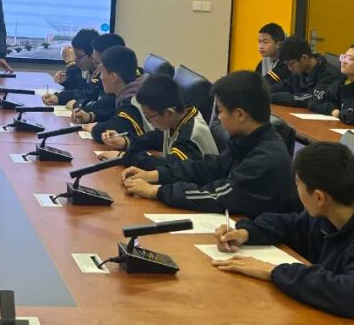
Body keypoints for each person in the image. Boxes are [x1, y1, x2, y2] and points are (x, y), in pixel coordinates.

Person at [211, 142, 354, 325]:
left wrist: (275, 272)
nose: (296, 190)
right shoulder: (334, 214)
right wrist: (247, 232)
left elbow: (347, 292)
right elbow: (291, 225)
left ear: (319, 197)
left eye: (298, 184)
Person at [121, 71, 299, 216]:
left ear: (240, 115)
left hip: (270, 241)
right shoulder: (247, 140)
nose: (218, 118)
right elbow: (207, 167)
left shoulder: (266, 158)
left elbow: (217, 195)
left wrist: (156, 191)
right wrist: (154, 175)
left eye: (220, 111)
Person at [99, 72, 218, 167]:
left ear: (169, 112)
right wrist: (125, 141)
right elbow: (156, 137)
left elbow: (169, 166)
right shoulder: (177, 117)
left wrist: (123, 157)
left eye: (150, 117)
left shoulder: (191, 135)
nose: (150, 122)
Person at [86, 46, 146, 142]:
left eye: (102, 72)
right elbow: (113, 113)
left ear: (114, 77)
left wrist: (94, 129)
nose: (100, 77)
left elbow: (117, 127)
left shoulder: (133, 101)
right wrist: (91, 115)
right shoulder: (130, 91)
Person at [69, 32, 126, 124]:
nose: (97, 71)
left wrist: (79, 105)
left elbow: (105, 107)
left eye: (98, 63)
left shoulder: (129, 92)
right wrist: (91, 116)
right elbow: (108, 110)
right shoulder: (113, 80)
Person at [269, 36, 340, 108]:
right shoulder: (301, 72)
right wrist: (264, 92)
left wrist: (271, 97)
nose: (289, 68)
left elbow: (312, 99)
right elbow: (285, 86)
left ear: (304, 58)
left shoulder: (329, 74)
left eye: (291, 64)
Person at [43, 28, 98, 106]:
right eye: (75, 55)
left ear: (93, 54)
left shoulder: (102, 71)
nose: (76, 60)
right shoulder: (89, 69)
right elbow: (80, 88)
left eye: (79, 56)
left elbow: (88, 93)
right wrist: (67, 81)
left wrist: (70, 63)